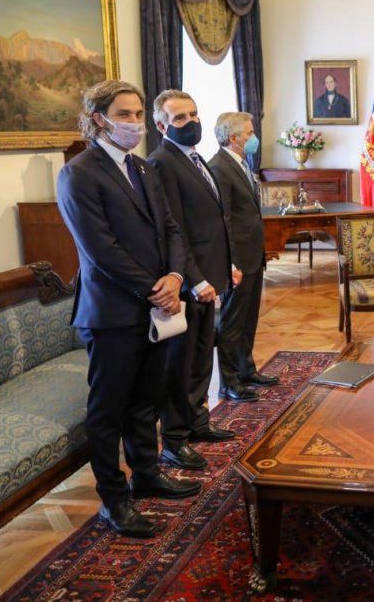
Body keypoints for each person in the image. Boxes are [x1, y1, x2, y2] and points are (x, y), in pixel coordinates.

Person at [56, 80, 201, 538]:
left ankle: (147, 475)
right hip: (112, 312)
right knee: (109, 410)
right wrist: (154, 289)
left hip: (157, 306)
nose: (135, 123)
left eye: (139, 114)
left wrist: (176, 278)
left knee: (146, 400)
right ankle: (113, 501)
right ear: (99, 118)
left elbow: (174, 230)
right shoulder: (79, 173)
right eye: (125, 114)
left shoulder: (144, 168)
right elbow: (100, 248)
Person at [148, 90, 238, 471]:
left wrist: (226, 266)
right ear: (161, 125)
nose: (192, 122)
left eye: (194, 114)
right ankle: (175, 440)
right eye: (180, 118)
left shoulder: (195, 157)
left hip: (211, 276)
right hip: (188, 282)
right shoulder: (162, 163)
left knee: (203, 356)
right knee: (181, 366)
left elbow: (214, 221)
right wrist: (196, 279)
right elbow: (175, 231)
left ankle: (198, 422)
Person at [209, 112, 279, 401]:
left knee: (248, 319)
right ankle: (229, 382)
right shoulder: (219, 167)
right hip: (238, 260)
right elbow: (222, 219)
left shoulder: (240, 163)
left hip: (253, 256)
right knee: (231, 322)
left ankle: (246, 369)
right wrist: (231, 262)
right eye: (249, 134)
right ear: (234, 138)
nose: (253, 139)